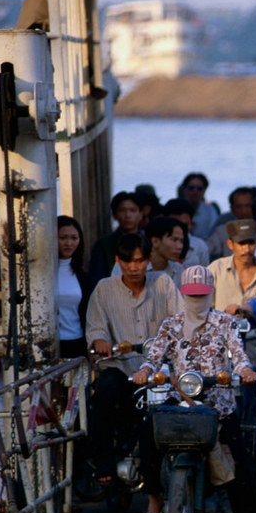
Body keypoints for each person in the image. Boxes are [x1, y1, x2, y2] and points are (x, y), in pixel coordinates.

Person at [130, 266, 256, 513]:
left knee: (242, 467)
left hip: (218, 405)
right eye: (192, 295)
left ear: (212, 293)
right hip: (179, 402)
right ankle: (155, 499)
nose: (197, 300)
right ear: (183, 294)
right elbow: (155, 355)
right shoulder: (171, 324)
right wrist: (145, 371)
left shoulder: (225, 322)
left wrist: (243, 370)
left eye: (202, 295)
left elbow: (238, 353)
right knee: (148, 432)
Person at [85, 233, 182, 483]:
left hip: (157, 371)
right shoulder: (104, 289)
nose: (133, 267)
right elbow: (96, 327)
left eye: (139, 261)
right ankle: (103, 463)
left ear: (148, 260)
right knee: (103, 394)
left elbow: (179, 322)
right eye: (127, 261)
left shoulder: (163, 283)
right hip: (121, 366)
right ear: (118, 261)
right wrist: (99, 341)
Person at [210, 220, 256, 316]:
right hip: (222, 329)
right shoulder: (216, 269)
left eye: (251, 243)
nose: (247, 249)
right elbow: (203, 307)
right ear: (230, 244)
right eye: (242, 243)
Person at [54, 215, 91, 358]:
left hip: (76, 342)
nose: (69, 243)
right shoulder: (40, 273)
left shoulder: (83, 277)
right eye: (63, 238)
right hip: (46, 342)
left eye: (74, 238)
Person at [87, 191, 143, 285]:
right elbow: (97, 278)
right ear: (114, 215)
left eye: (133, 210)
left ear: (141, 214)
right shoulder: (103, 245)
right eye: (122, 210)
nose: (128, 215)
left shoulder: (150, 242)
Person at [113, 216, 185, 285]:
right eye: (174, 240)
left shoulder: (178, 270)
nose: (180, 246)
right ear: (155, 241)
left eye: (181, 241)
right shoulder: (125, 264)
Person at [206, 186, 256, 261]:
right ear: (232, 208)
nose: (244, 211)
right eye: (239, 207)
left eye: (248, 206)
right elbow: (206, 249)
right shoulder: (222, 231)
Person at [162, 197, 209, 269]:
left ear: (191, 222)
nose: (180, 229)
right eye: (176, 225)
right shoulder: (159, 244)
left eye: (184, 225)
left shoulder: (200, 246)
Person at [178, 172, 222, 241]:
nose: (195, 191)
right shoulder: (175, 209)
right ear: (184, 189)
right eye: (191, 188)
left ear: (204, 191)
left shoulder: (210, 210)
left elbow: (214, 234)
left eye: (199, 188)